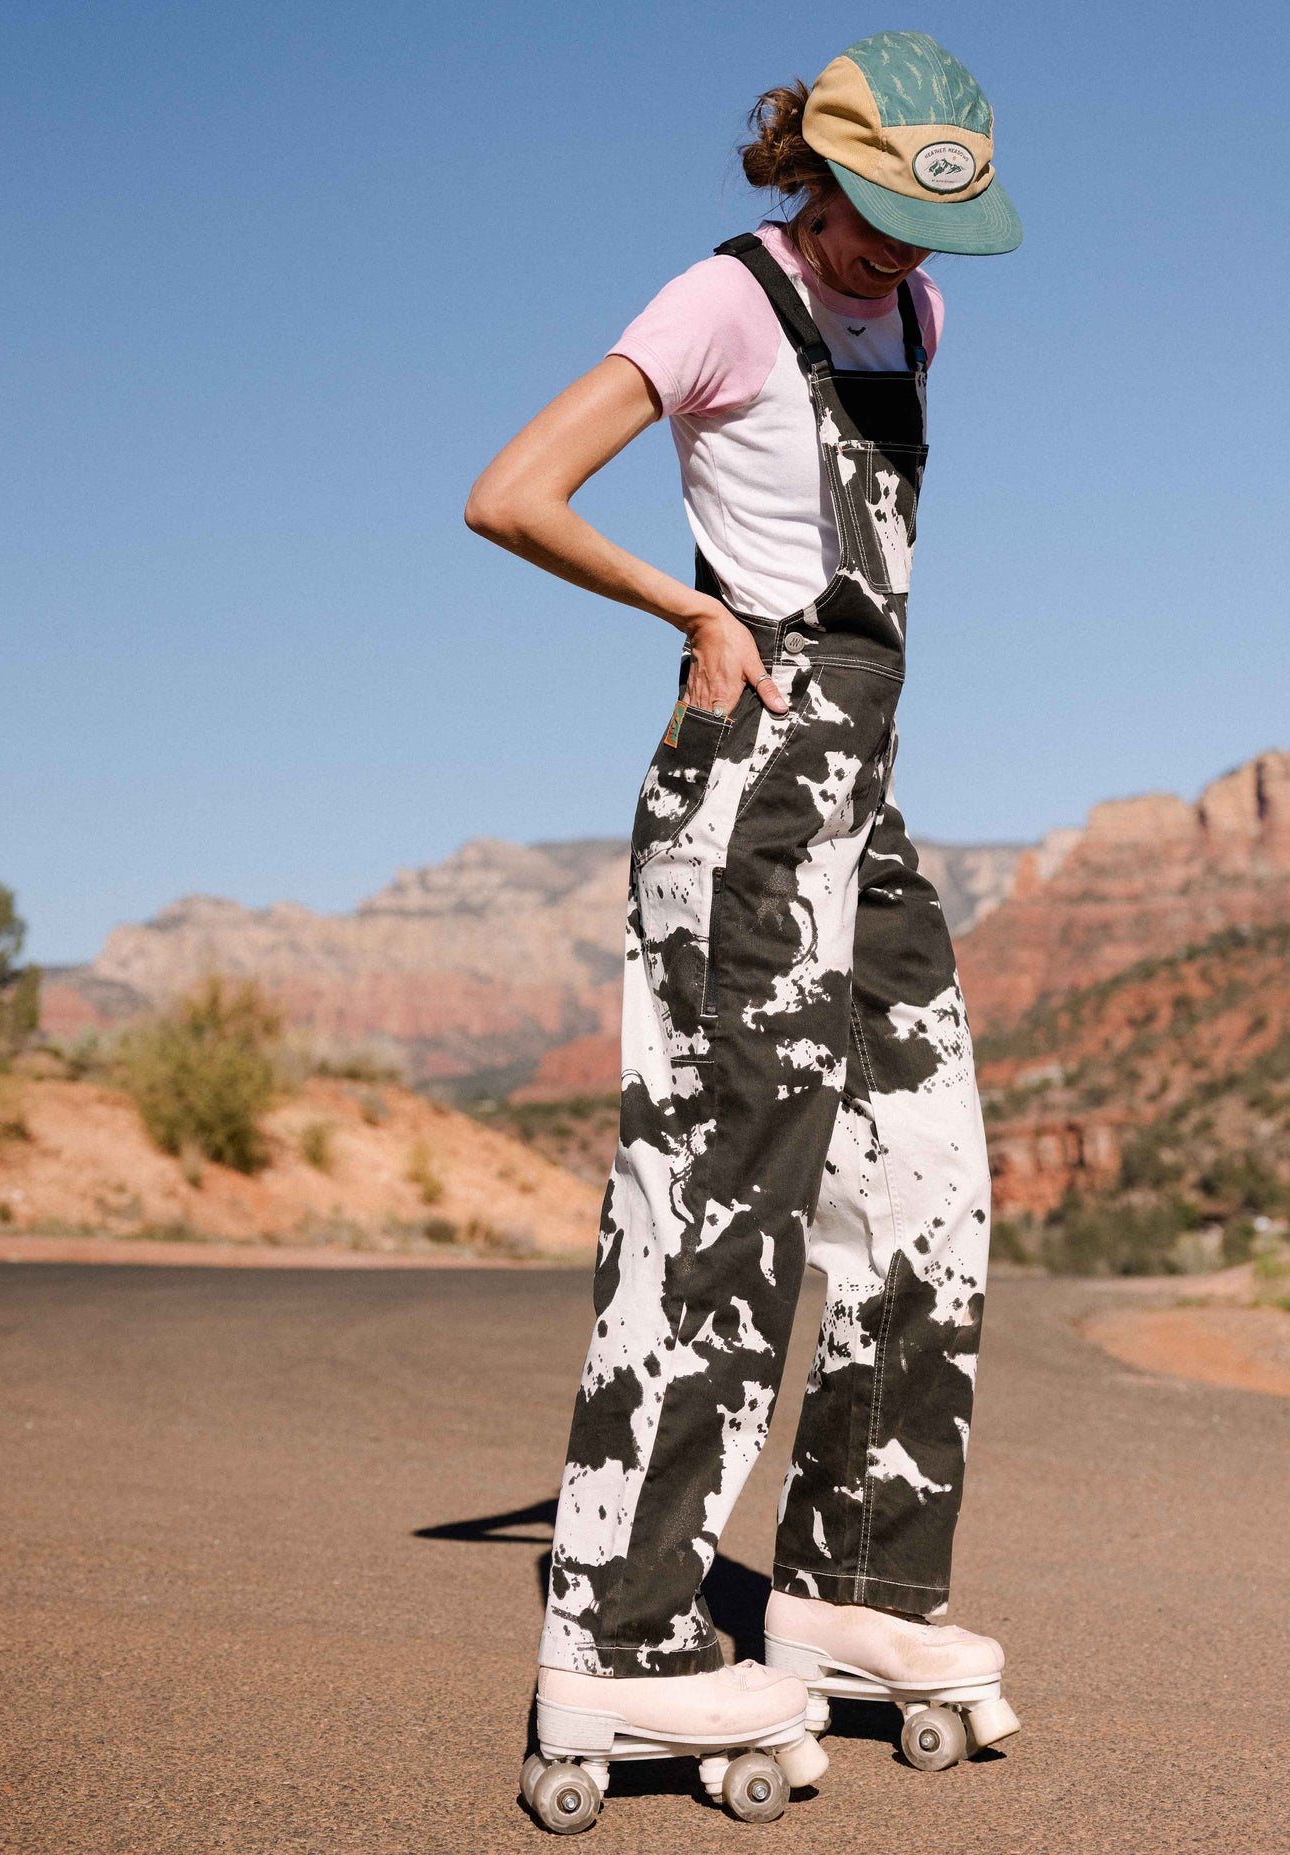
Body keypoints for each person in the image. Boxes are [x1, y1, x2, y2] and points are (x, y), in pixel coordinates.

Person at [468, 31, 1023, 1831]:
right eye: (875, 213)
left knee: (930, 1191)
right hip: (747, 801)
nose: (898, 251)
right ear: (818, 170)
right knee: (721, 1199)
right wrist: (689, 612)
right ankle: (618, 1638)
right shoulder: (723, 300)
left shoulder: (920, 318)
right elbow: (512, 490)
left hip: (866, 811)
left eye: (928, 226)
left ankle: (854, 1584)